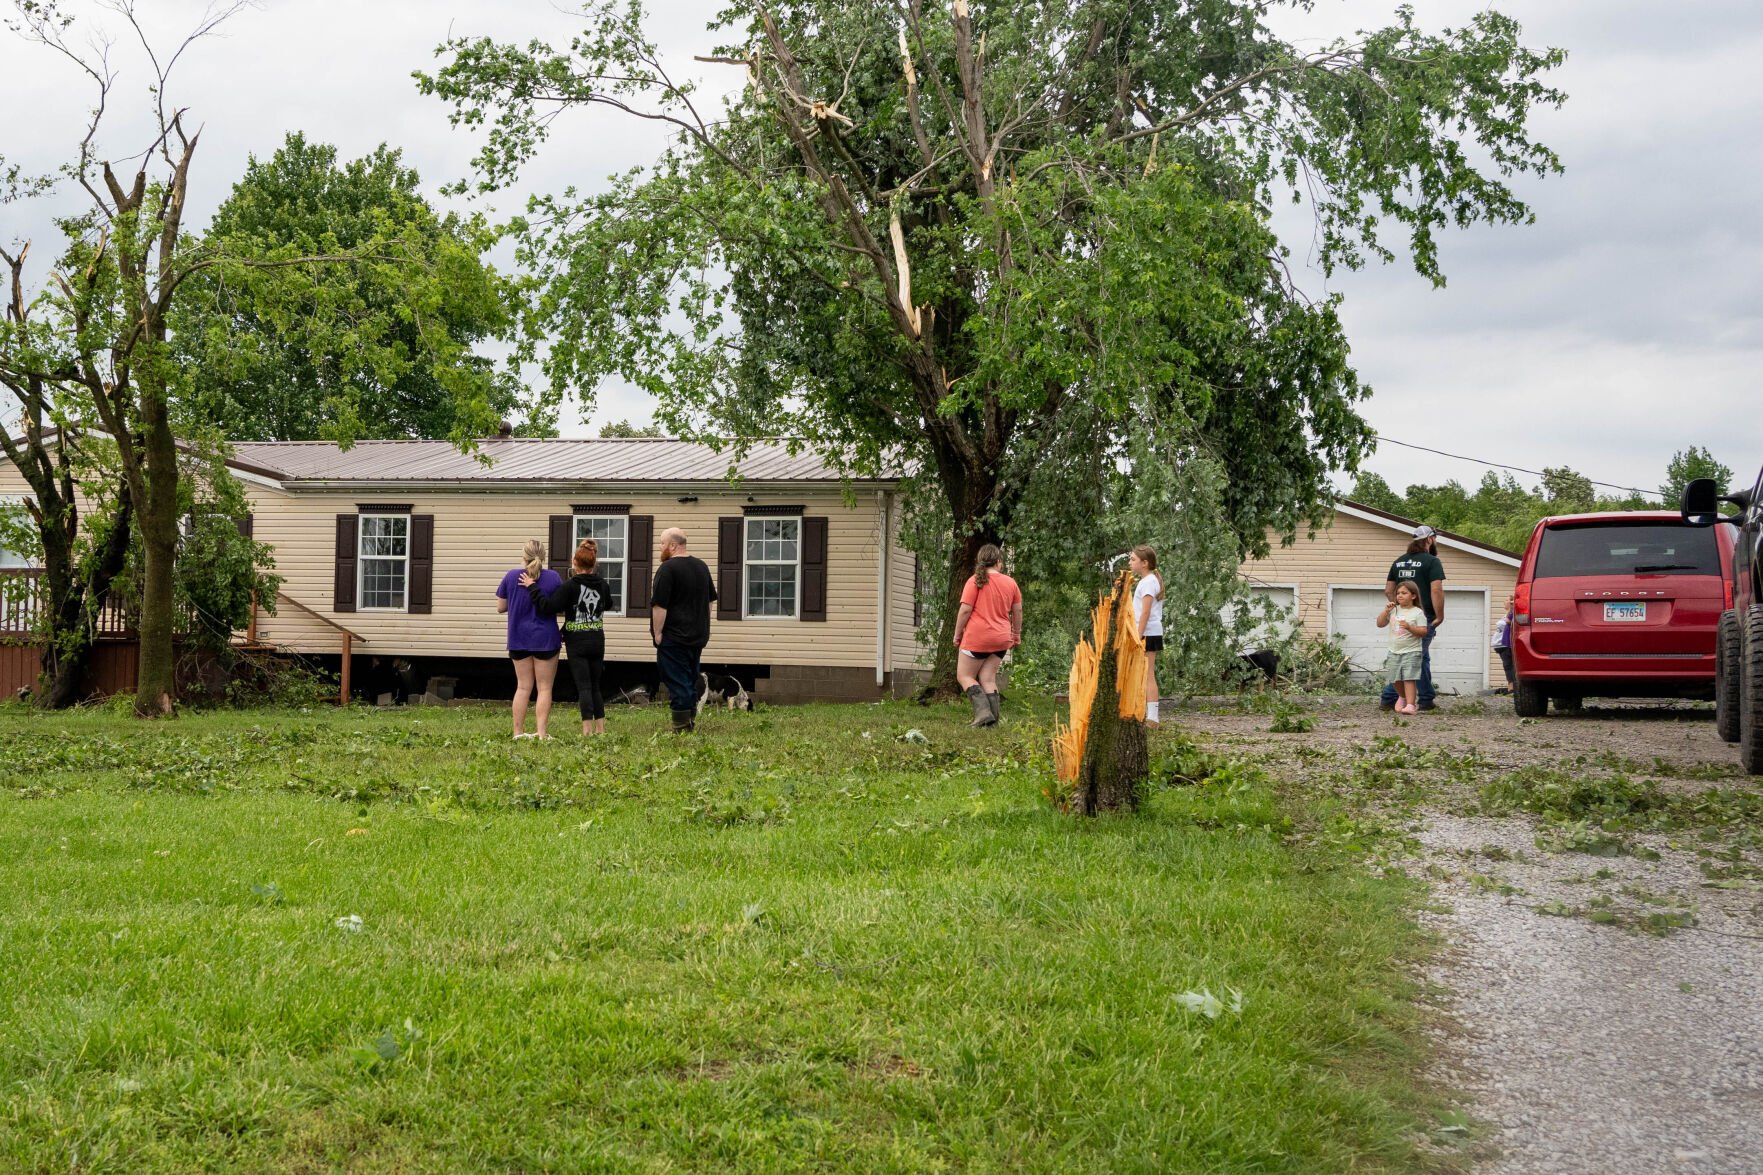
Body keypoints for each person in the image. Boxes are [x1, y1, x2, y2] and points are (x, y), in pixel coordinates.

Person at [522, 539, 613, 736]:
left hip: (577, 643)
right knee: (596, 686)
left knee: (584, 687)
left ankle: (587, 731)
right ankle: (600, 729)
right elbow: (608, 605)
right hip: (597, 640)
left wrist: (532, 587)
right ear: (593, 562)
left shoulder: (570, 586)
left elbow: (547, 606)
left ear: (574, 562)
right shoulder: (603, 585)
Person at [650, 527, 717, 733]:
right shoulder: (701, 567)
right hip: (697, 636)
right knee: (689, 678)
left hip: (674, 636)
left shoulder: (667, 569)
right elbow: (709, 602)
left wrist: (658, 633)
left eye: (662, 543)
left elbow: (660, 606)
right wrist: (705, 625)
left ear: (672, 545)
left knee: (677, 681)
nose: (660, 547)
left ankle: (681, 727)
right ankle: (689, 722)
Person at [497, 538, 563, 739]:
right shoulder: (553, 578)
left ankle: (518, 732)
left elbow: (500, 607)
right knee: (544, 688)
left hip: (519, 637)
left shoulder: (511, 576)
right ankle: (542, 733)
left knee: (523, 686)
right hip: (546, 639)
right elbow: (558, 606)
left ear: (523, 556)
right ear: (544, 555)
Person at [951, 543, 1023, 727]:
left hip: (978, 638)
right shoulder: (1011, 583)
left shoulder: (974, 581)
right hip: (1001, 639)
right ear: (999, 562)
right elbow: (1018, 611)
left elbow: (965, 611)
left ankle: (983, 713)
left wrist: (957, 635)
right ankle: (992, 721)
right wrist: (1016, 635)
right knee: (988, 678)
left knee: (965, 676)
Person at [1380, 524, 1446, 711]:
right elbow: (1436, 589)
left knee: (1419, 657)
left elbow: (1388, 590)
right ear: (1430, 539)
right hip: (1422, 617)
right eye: (1435, 539)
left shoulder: (1399, 562)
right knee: (1414, 657)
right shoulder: (1432, 562)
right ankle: (1389, 697)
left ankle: (1425, 699)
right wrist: (1439, 615)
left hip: (1400, 617)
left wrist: (1398, 608)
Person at [1377, 581, 1430, 715]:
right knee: (1394, 678)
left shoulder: (1417, 613)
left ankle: (1411, 705)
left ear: (1413, 596)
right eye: (1398, 593)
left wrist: (1409, 627)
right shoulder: (1394, 610)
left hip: (1412, 650)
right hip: (1394, 650)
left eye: (1404, 593)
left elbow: (1424, 632)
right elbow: (1380, 623)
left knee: (1409, 677)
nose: (1400, 596)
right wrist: (1386, 611)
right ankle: (1402, 697)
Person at [1129, 544, 1164, 728]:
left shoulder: (1149, 581)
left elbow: (1145, 611)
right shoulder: (1145, 581)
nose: (1130, 562)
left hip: (1148, 632)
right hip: (1147, 632)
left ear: (1145, 563)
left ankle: (1153, 717)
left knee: (1148, 673)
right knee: (1142, 673)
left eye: (1133, 559)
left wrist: (1138, 634)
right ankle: (1143, 712)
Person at [1492, 592, 1516, 694]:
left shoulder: (1512, 614)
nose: (1504, 602)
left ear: (1511, 603)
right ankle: (1510, 686)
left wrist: (1513, 604)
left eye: (1507, 600)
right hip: (1500, 645)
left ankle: (1512, 687)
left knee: (1508, 665)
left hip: (1506, 644)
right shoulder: (1505, 615)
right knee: (1507, 666)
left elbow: (1511, 623)